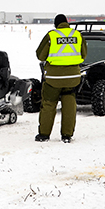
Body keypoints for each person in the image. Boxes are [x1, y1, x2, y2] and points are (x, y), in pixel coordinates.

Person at [35, 14, 87, 143]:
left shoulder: (51, 35)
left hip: (53, 78)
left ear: (55, 24)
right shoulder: (77, 35)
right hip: (73, 77)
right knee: (69, 105)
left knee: (48, 104)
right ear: (67, 23)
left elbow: (40, 55)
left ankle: (44, 135)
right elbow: (84, 54)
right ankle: (67, 135)